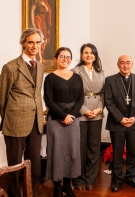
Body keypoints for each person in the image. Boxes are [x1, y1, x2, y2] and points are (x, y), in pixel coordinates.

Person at [0, 28, 45, 197]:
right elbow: (2, 98)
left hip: (36, 122)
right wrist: (10, 117)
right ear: (23, 44)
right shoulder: (10, 67)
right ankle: (13, 194)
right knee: (14, 165)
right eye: (31, 42)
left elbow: (36, 93)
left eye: (37, 42)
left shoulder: (40, 66)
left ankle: (30, 193)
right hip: (15, 122)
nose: (34, 46)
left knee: (35, 164)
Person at [44, 47, 84, 197]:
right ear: (56, 58)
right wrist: (63, 116)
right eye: (62, 56)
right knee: (57, 152)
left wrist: (71, 115)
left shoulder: (77, 77)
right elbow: (48, 100)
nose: (65, 59)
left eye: (68, 57)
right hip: (56, 120)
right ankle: (57, 186)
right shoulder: (50, 78)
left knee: (72, 152)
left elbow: (81, 98)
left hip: (73, 120)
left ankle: (67, 185)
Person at [104, 55, 135, 192]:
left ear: (132, 64)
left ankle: (131, 176)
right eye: (122, 63)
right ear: (118, 65)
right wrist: (120, 118)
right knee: (117, 152)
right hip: (117, 123)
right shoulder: (110, 80)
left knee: (132, 151)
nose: (125, 65)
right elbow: (108, 101)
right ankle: (116, 180)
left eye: (128, 63)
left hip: (134, 122)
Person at [71, 43, 105, 191]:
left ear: (95, 56)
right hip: (81, 113)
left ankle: (90, 179)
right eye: (86, 53)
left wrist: (98, 109)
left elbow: (104, 94)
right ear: (81, 55)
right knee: (80, 148)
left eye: (92, 53)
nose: (89, 55)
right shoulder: (75, 71)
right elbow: (72, 95)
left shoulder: (101, 72)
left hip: (97, 114)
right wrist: (83, 110)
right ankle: (78, 180)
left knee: (94, 148)